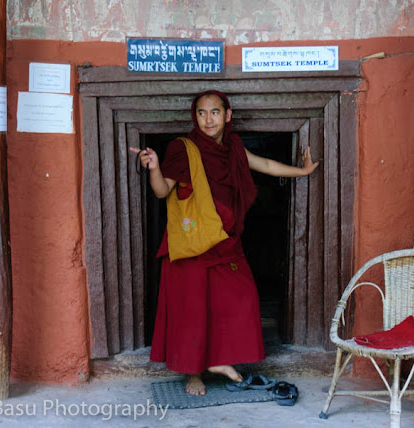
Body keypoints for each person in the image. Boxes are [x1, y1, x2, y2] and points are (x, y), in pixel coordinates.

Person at [131, 90, 319, 395]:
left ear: (227, 115)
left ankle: (219, 361)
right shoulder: (184, 149)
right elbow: (163, 191)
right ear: (195, 117)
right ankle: (194, 374)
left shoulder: (233, 148)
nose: (208, 120)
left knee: (241, 298)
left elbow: (266, 166)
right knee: (191, 311)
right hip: (191, 243)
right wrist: (154, 167)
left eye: (215, 112)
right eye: (202, 113)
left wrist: (303, 171)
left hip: (224, 241)